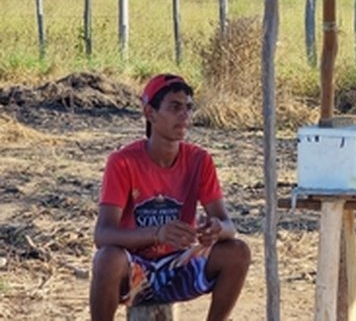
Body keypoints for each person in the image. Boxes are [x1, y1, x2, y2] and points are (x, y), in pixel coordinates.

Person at [89, 74, 250, 321]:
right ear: (150, 113)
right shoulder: (123, 162)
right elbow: (103, 235)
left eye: (188, 108)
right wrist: (157, 233)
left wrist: (215, 230)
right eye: (175, 107)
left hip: (179, 266)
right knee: (107, 260)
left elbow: (230, 227)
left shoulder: (199, 160)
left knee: (237, 252)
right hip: (134, 270)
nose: (184, 115)